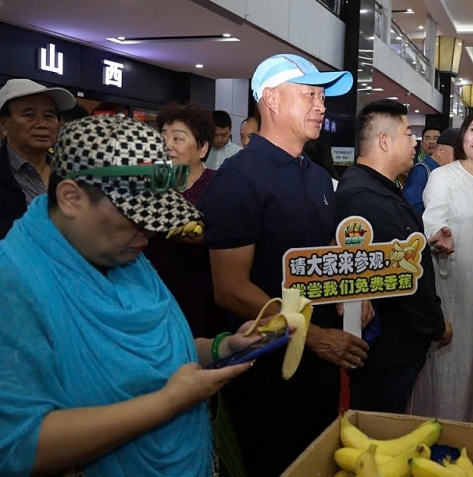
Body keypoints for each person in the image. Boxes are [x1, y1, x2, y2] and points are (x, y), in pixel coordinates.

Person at [0, 114, 263, 476]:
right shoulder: (13, 282)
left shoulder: (125, 256)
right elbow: (20, 446)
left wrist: (222, 348)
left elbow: (162, 354)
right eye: (136, 216)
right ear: (72, 198)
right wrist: (168, 402)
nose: (150, 232)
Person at [196, 53, 370, 477]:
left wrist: (354, 292)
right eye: (309, 93)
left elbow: (325, 249)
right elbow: (231, 288)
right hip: (265, 372)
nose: (321, 105)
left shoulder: (314, 174)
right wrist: (312, 335)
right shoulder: (239, 179)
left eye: (323, 95)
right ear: (270, 99)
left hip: (321, 367)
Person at [335, 99, 453, 413]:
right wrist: (437, 327)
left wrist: (424, 243)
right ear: (385, 142)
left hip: (395, 346)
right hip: (388, 349)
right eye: (407, 133)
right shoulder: (366, 198)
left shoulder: (380, 189)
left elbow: (388, 254)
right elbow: (402, 286)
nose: (415, 142)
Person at [408, 108, 473, 422]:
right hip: (449, 283)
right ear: (463, 134)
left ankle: (465, 426)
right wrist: (439, 235)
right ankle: (431, 427)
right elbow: (431, 223)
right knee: (444, 363)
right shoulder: (444, 176)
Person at [144, 102, 229, 338]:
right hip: (153, 295)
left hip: (202, 297)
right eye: (162, 138)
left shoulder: (220, 185)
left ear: (202, 148)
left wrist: (206, 238)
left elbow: (232, 235)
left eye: (178, 139)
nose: (167, 146)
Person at [0, 78, 76, 240]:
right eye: (29, 115)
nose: (42, 124)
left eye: (49, 115)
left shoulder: (72, 171)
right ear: (3, 125)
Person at [403, 127, 458, 214]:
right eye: (457, 154)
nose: (460, 160)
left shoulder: (448, 171)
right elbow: (413, 206)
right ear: (441, 151)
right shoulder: (421, 171)